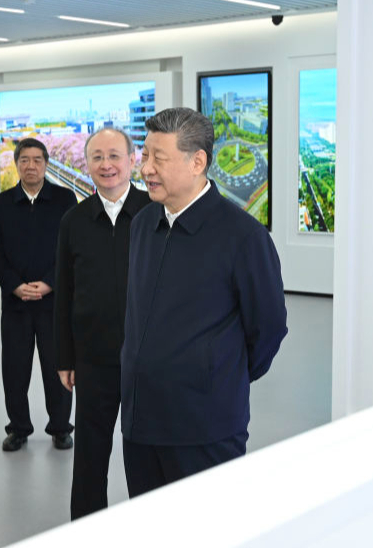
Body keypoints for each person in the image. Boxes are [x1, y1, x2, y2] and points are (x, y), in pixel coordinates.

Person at [121, 108, 288, 496]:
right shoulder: (143, 224)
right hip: (140, 422)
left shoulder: (243, 237)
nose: (146, 169)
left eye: (159, 159)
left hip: (204, 427)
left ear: (197, 162)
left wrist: (219, 375)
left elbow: (268, 328)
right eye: (144, 156)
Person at [54, 128, 150, 519]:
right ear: (87, 163)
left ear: (132, 160)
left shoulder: (154, 212)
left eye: (114, 156)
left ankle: (151, 525)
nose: (106, 165)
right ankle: (86, 529)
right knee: (90, 454)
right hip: (93, 358)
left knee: (146, 452)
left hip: (148, 359)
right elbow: (64, 291)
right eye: (97, 157)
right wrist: (65, 357)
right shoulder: (74, 220)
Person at [0, 137, 77, 452]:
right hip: (16, 303)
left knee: (57, 367)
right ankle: (18, 428)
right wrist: (14, 285)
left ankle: (61, 427)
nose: (31, 166)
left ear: (46, 164)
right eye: (24, 160)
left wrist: (51, 282)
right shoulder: (2, 204)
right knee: (15, 370)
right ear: (16, 164)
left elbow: (72, 248)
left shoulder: (65, 200)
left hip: (54, 302)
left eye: (37, 160)